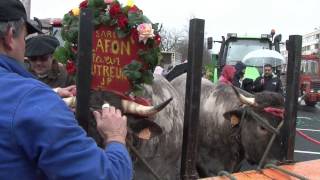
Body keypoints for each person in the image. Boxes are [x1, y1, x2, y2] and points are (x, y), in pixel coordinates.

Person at [0, 0, 132, 179]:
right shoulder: (35, 100)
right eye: (24, 38)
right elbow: (107, 176)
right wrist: (115, 137)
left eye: (43, 58)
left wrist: (53, 94)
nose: (38, 63)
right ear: (10, 37)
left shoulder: (50, 85)